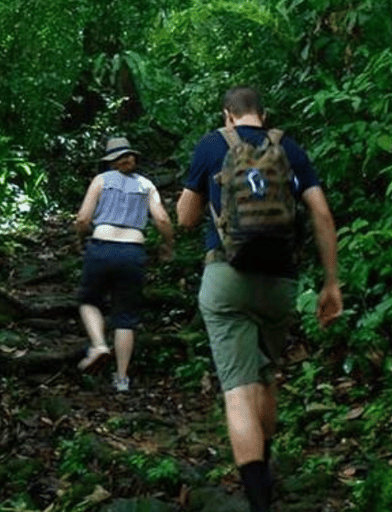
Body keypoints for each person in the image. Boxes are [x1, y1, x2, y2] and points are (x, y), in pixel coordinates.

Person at [176, 86, 342, 511]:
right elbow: (321, 214)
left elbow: (186, 217)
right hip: (280, 281)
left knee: (238, 390)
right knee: (266, 376)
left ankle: (258, 501)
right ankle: (266, 471)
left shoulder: (212, 144)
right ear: (262, 115)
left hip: (226, 277)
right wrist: (331, 283)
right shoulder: (291, 149)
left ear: (228, 115)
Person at [75, 136, 174, 392]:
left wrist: (81, 237)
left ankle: (98, 345)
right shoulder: (146, 185)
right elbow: (162, 220)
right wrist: (167, 246)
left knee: (89, 301)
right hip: (133, 252)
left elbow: (83, 218)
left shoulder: (101, 180)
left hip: (101, 247)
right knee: (125, 316)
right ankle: (121, 379)